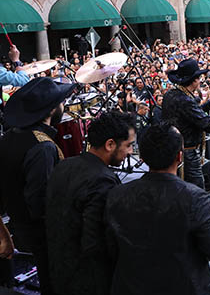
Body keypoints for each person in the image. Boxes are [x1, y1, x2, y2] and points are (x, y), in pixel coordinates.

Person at [104, 123, 210, 295]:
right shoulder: (195, 199)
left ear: (143, 157)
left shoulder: (117, 194)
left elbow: (110, 248)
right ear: (179, 156)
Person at [0, 77, 77, 295]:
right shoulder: (42, 147)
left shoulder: (10, 137)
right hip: (41, 234)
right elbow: (40, 202)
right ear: (51, 109)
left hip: (18, 225)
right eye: (61, 102)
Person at [45, 111, 136, 295]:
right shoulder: (102, 181)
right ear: (110, 144)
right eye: (128, 145)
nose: (131, 152)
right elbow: (95, 243)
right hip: (87, 281)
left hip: (58, 270)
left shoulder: (65, 165)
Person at [162, 58, 210, 189]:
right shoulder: (185, 100)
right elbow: (209, 125)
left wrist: (209, 104)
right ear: (194, 80)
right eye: (199, 78)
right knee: (196, 190)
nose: (200, 81)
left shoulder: (171, 94)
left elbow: (189, 115)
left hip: (173, 150)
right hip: (187, 154)